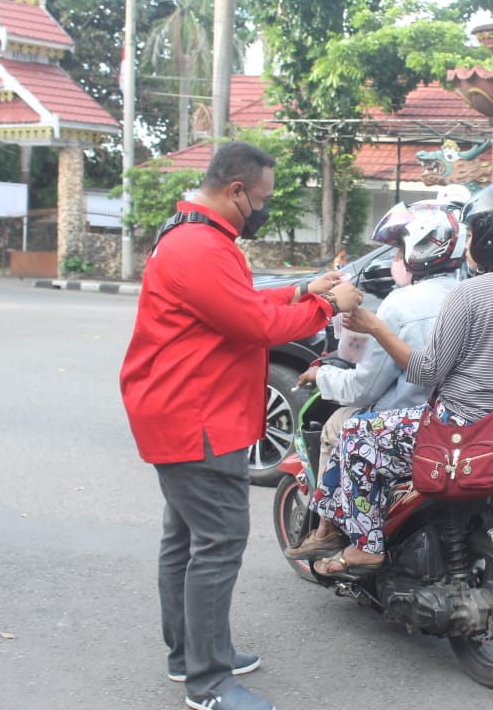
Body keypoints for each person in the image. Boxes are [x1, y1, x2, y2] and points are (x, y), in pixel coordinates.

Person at [119, 141, 364, 710]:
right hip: (196, 416)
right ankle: (208, 683)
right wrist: (329, 306)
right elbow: (255, 324)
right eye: (262, 197)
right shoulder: (199, 246)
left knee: (186, 539)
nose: (264, 207)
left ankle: (190, 656)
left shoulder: (195, 236)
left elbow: (235, 301)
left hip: (183, 408)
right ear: (236, 191)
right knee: (218, 542)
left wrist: (301, 289)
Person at [298, 184, 493, 578]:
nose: (467, 243)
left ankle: (365, 545)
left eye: (471, 234)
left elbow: (427, 371)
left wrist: (376, 327)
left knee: (355, 434)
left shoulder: (469, 293)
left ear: (490, 239)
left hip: (463, 429)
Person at [284, 199, 466, 559]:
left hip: (407, 422)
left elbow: (363, 388)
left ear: (419, 249)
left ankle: (329, 529)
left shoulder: (401, 304)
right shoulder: (471, 294)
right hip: (467, 423)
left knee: (337, 427)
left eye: (399, 250)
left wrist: (323, 375)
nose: (395, 259)